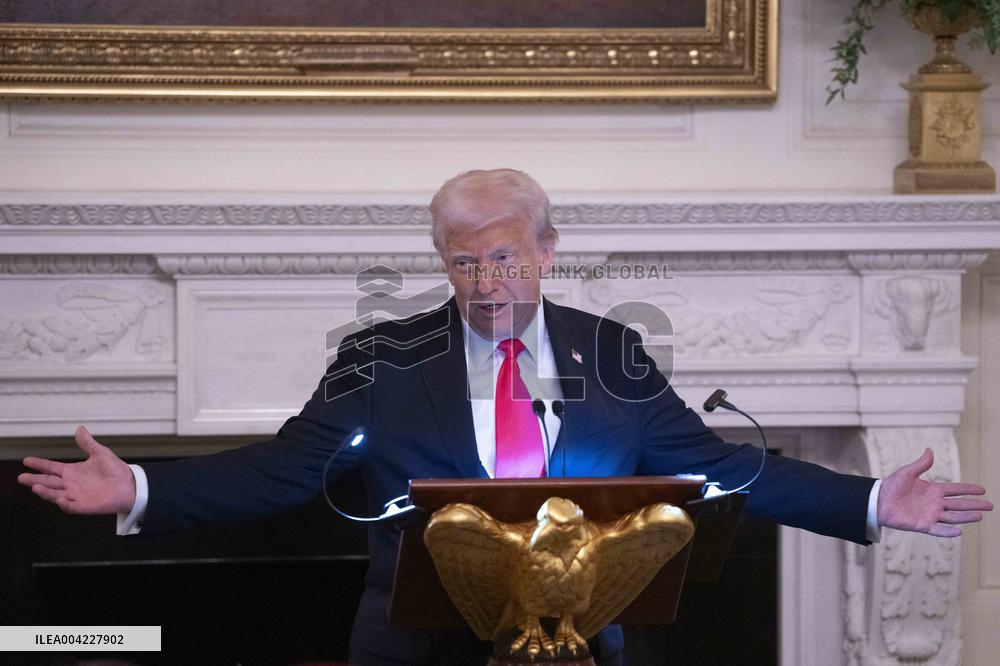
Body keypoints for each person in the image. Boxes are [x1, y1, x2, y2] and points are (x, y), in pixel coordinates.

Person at [18, 169, 993, 665]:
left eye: (504, 256)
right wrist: (139, 485)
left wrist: (867, 501)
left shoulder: (611, 353)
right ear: (442, 259)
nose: (486, 281)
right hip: (414, 652)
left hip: (583, 646)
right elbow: (284, 469)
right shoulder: (381, 360)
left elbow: (717, 467)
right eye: (463, 260)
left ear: (547, 249)